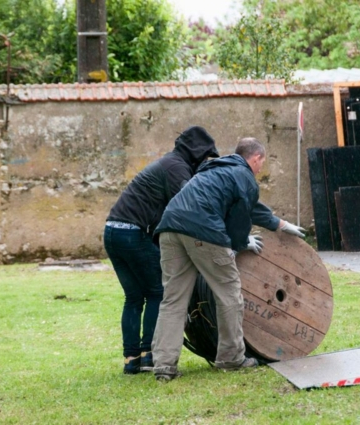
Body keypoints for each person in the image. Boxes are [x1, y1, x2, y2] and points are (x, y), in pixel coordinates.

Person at [151, 137, 306, 381]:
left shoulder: (216, 170)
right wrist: (242, 241)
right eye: (261, 164)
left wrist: (281, 224)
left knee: (173, 300)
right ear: (255, 158)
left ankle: (164, 366)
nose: (259, 170)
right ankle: (231, 358)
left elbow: (251, 207)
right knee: (230, 294)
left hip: (169, 229)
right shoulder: (244, 176)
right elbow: (240, 220)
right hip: (202, 231)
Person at [104, 126, 219, 374]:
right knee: (158, 292)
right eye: (205, 156)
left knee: (134, 298)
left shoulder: (170, 163)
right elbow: (190, 208)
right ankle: (149, 356)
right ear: (197, 153)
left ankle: (131, 360)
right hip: (132, 233)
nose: (205, 162)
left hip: (113, 231)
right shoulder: (176, 168)